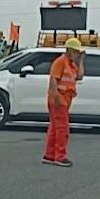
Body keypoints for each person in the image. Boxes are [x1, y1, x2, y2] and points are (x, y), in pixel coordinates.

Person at [42, 38, 85, 167]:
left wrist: (81, 60)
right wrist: (55, 97)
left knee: (55, 128)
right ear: (69, 50)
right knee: (62, 129)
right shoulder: (60, 62)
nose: (77, 54)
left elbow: (80, 76)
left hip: (65, 99)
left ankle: (49, 155)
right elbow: (54, 79)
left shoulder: (71, 65)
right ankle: (60, 156)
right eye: (76, 52)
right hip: (59, 99)